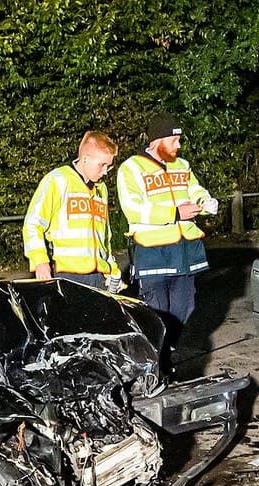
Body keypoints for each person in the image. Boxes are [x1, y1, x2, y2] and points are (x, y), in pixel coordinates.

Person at [117, 113, 214, 347]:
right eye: (174, 141)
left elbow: (195, 190)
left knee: (185, 310)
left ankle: (169, 354)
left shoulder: (182, 165)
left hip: (186, 253)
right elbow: (133, 208)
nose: (179, 146)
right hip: (154, 256)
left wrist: (205, 201)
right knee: (155, 316)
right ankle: (158, 362)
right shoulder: (131, 168)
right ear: (157, 141)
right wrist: (175, 213)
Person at [23, 131, 123, 290]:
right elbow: (33, 223)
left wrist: (112, 269)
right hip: (66, 276)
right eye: (102, 165)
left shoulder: (101, 189)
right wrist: (40, 261)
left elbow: (104, 238)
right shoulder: (58, 180)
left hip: (98, 277)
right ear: (85, 159)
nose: (105, 171)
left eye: (108, 166)